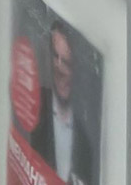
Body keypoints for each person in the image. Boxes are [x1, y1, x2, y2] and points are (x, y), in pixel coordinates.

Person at [28, 19, 96, 185]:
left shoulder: (90, 129)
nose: (58, 68)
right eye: (55, 56)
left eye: (66, 62)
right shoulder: (35, 108)